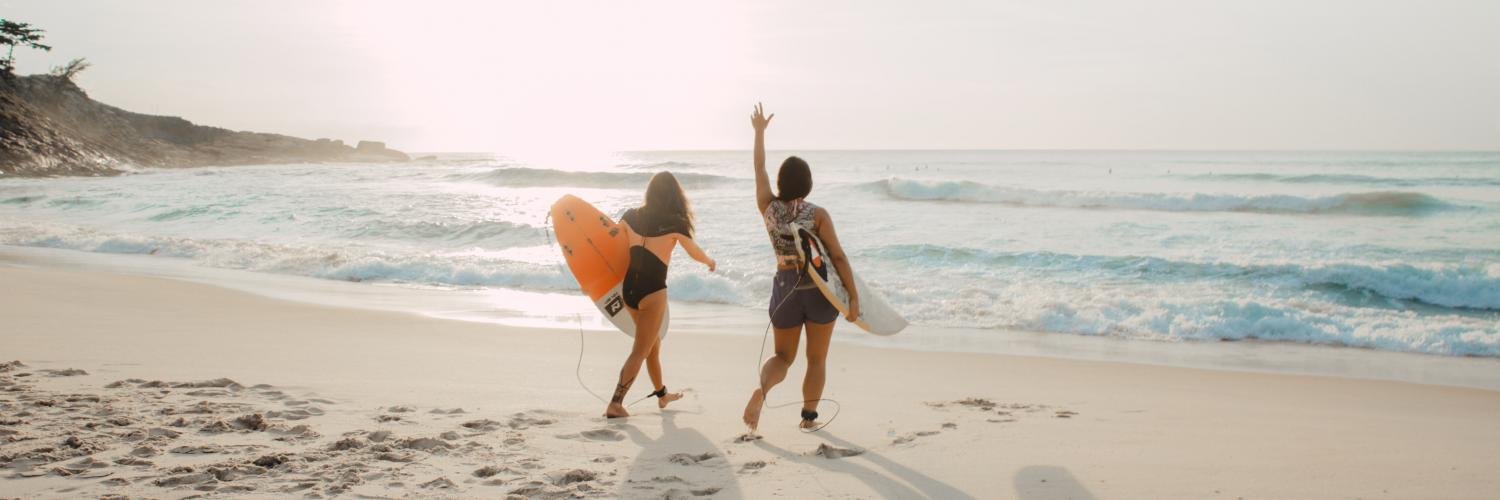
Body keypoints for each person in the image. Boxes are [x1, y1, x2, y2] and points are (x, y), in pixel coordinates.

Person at [742, 103, 860, 431]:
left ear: (780, 182)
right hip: (818, 289)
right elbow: (837, 257)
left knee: (783, 358)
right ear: (808, 184)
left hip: (785, 288)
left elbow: (759, 168)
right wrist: (853, 297)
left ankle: (761, 391)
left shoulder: (768, 206)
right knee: (816, 359)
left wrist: (759, 133)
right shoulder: (818, 213)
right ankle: (808, 419)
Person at [605, 172, 716, 418]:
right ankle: (615, 402)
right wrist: (710, 262)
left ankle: (662, 395)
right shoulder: (675, 222)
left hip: (629, 290)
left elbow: (610, 238)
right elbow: (694, 251)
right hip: (652, 292)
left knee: (652, 345)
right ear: (674, 195)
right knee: (640, 350)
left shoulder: (630, 215)